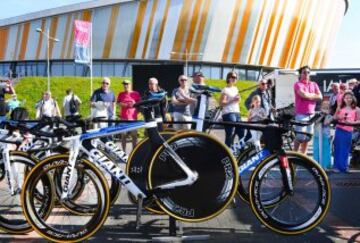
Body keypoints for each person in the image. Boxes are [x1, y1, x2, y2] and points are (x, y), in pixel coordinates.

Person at [293, 65, 323, 154]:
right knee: (300, 137)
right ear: (300, 74)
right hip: (301, 114)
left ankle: (303, 157)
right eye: (304, 72)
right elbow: (303, 95)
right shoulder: (298, 84)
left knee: (308, 137)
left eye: (308, 72)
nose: (306, 74)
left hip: (311, 114)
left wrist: (308, 95)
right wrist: (314, 96)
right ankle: (294, 156)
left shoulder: (314, 84)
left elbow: (320, 97)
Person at [332, 91, 360, 173]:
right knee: (337, 148)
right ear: (343, 99)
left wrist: (351, 123)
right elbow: (334, 118)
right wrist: (339, 113)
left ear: (353, 98)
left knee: (346, 149)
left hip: (349, 130)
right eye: (347, 98)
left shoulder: (357, 109)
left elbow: (359, 120)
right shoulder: (340, 108)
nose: (348, 99)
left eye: (350, 98)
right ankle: (336, 166)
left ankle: (344, 166)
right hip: (339, 129)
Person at [220, 71, 244, 147]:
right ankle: (227, 150)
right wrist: (232, 100)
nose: (235, 79)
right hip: (228, 113)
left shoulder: (236, 88)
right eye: (233, 77)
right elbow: (222, 103)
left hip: (237, 112)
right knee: (230, 133)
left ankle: (241, 151)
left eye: (236, 77)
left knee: (241, 132)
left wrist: (238, 99)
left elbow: (238, 100)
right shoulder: (225, 90)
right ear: (229, 78)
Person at [117, 80, 141, 151]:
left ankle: (134, 152)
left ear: (130, 85)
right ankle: (123, 152)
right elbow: (118, 103)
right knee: (123, 136)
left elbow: (140, 104)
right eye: (124, 84)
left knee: (134, 136)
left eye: (127, 84)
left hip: (133, 118)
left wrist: (134, 104)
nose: (125, 85)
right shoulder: (121, 94)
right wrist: (122, 104)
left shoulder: (136, 93)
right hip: (123, 118)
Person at [313, 100, 332, 171]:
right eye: (323, 108)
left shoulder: (330, 116)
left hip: (325, 136)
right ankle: (316, 165)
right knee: (316, 149)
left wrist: (326, 115)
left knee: (325, 150)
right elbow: (316, 122)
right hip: (317, 135)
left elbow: (325, 123)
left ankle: (324, 165)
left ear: (329, 110)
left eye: (327, 108)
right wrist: (322, 115)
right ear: (321, 108)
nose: (325, 110)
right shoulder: (317, 115)